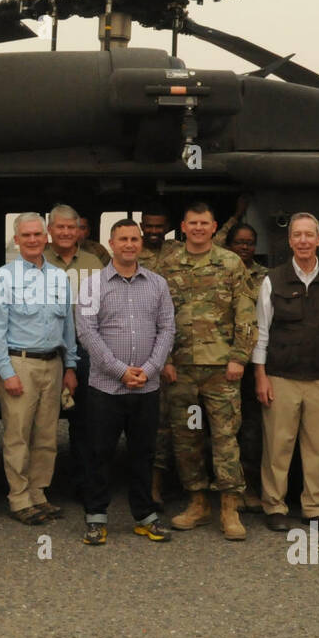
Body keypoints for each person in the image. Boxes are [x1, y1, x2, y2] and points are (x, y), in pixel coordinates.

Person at [74, 219, 176, 544]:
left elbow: (167, 329)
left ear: (141, 244)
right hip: (106, 386)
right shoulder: (92, 285)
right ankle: (96, 517)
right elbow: (86, 331)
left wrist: (151, 367)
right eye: (123, 239)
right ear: (112, 243)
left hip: (147, 386)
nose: (129, 244)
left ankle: (145, 515)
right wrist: (119, 370)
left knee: (143, 453)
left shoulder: (158, 284)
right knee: (99, 452)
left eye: (134, 239)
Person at [254, 213, 319, 531]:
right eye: (297, 235)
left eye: (308, 235)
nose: (302, 241)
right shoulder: (273, 280)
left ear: (318, 240)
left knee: (318, 447)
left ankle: (314, 508)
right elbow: (261, 330)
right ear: (290, 241)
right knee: (278, 445)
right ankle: (275, 507)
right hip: (280, 376)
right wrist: (260, 375)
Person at [162, 202, 257, 541]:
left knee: (225, 437)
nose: (199, 228)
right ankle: (198, 501)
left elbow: (246, 314)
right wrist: (167, 360)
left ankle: (230, 507)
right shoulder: (169, 265)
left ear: (214, 226)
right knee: (189, 437)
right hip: (183, 372)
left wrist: (239, 358)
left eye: (204, 223)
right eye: (193, 223)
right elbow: (160, 317)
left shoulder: (230, 263)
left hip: (220, 371)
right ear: (184, 227)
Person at [0, 212, 79, 525]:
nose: (32, 240)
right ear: (16, 240)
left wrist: (70, 366)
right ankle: (19, 498)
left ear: (46, 237)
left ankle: (39, 493)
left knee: (46, 435)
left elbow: (68, 327)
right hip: (19, 364)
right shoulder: (2, 278)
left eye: (37, 234)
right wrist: (6, 372)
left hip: (52, 365)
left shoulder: (58, 278)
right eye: (26, 235)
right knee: (17, 437)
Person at [45, 204, 104, 500]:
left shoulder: (94, 263)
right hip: (45, 349)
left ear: (80, 231)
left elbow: (104, 310)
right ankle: (39, 489)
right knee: (41, 421)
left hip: (84, 350)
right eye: (61, 227)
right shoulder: (35, 260)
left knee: (85, 421)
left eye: (72, 227)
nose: (67, 233)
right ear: (50, 229)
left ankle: (83, 483)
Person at [138, 203, 182, 504]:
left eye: (158, 225)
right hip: (142, 346)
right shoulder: (131, 251)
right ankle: (151, 484)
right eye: (148, 225)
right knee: (155, 424)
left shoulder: (179, 252)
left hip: (179, 345)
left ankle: (183, 482)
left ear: (167, 226)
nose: (153, 231)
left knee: (183, 422)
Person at [224, 222, 267, 512]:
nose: (245, 247)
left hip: (251, 362)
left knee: (251, 428)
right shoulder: (220, 269)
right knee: (222, 429)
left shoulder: (265, 277)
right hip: (220, 360)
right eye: (239, 242)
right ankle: (224, 487)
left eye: (250, 242)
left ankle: (250, 485)